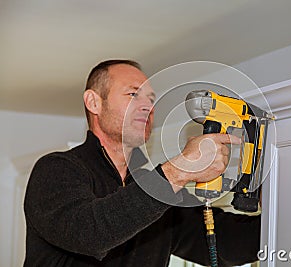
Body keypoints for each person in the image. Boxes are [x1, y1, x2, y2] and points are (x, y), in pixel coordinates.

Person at [24, 59, 261, 267]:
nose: (148, 106)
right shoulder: (56, 170)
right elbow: (90, 233)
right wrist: (179, 170)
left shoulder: (154, 190)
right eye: (133, 94)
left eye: (151, 99)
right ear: (94, 102)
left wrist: (273, 195)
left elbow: (229, 244)